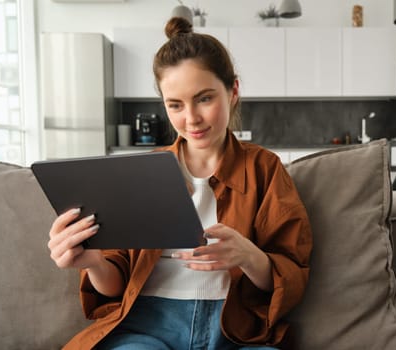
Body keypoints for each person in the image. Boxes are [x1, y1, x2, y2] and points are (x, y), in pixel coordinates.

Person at [48, 17, 312, 350]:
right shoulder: (141, 172)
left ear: (233, 91)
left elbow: (293, 274)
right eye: (175, 105)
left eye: (204, 99)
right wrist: (92, 263)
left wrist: (248, 255)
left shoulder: (265, 168)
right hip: (147, 327)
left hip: (234, 329)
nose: (191, 119)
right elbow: (115, 286)